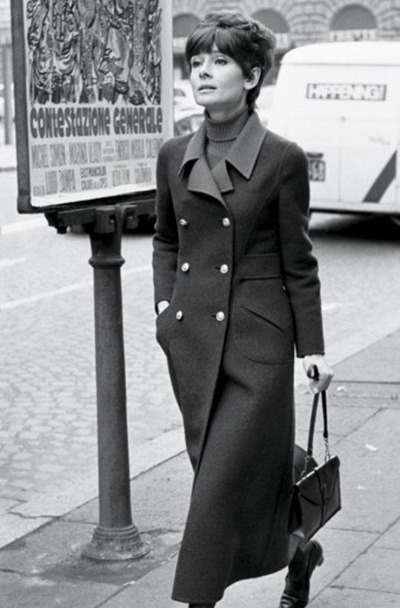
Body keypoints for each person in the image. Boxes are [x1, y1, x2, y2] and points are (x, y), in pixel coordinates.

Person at [152, 11, 334, 608]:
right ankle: (297, 546)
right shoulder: (174, 151)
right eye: (196, 62)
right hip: (192, 342)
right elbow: (164, 239)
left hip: (257, 345)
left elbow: (298, 260)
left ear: (252, 75)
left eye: (220, 61)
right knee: (226, 478)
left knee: (215, 487)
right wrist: (163, 305)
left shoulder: (282, 158)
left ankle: (197, 599)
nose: (203, 72)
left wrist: (312, 348)